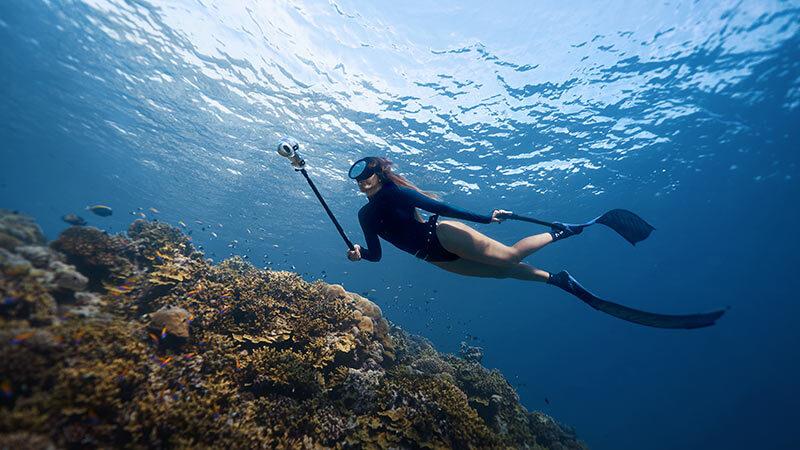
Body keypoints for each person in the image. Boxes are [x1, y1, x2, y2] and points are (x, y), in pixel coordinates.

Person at [345, 156, 581, 283]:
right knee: (502, 272)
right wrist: (359, 253)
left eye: (368, 174)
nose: (362, 180)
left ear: (378, 175)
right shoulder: (364, 216)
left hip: (443, 235)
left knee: (510, 257)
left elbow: (442, 208)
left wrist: (486, 219)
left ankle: (559, 232)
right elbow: (375, 255)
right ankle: (556, 280)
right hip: (434, 258)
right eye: (359, 178)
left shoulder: (395, 193)